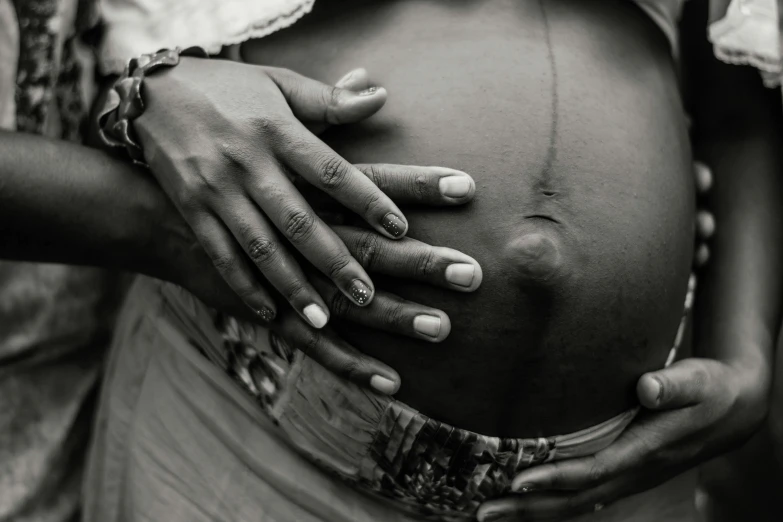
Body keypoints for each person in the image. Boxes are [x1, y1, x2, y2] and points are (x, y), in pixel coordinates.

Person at [81, 0, 783, 521]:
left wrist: (746, 362)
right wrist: (142, 97)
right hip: (248, 443)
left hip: (611, 481)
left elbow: (736, 102)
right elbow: (100, 88)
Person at [0, 1, 482, 521]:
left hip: (92, 363)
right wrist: (174, 231)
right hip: (220, 412)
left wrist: (150, 89)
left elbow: (100, 63)